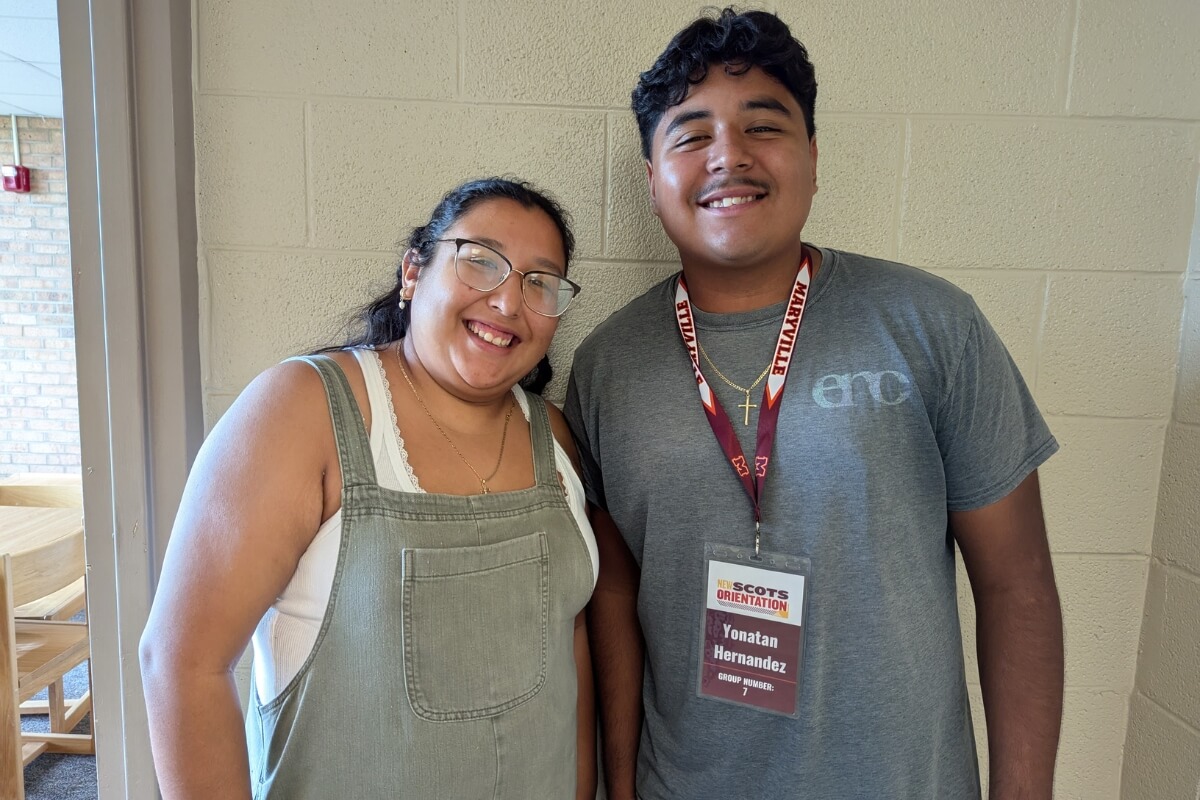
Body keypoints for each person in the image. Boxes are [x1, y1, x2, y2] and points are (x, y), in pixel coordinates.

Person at [565, 9, 1063, 800]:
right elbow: (616, 594)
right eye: (691, 136)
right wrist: (619, 783)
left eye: (764, 125)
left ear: (813, 157)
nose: (729, 156)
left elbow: (1018, 583)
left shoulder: (931, 325)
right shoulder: (606, 368)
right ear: (652, 179)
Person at [141, 178, 598, 799]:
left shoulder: (554, 437)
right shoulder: (305, 411)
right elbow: (181, 664)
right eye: (480, 261)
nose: (508, 301)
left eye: (539, 282)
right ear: (414, 272)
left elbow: (567, 646)